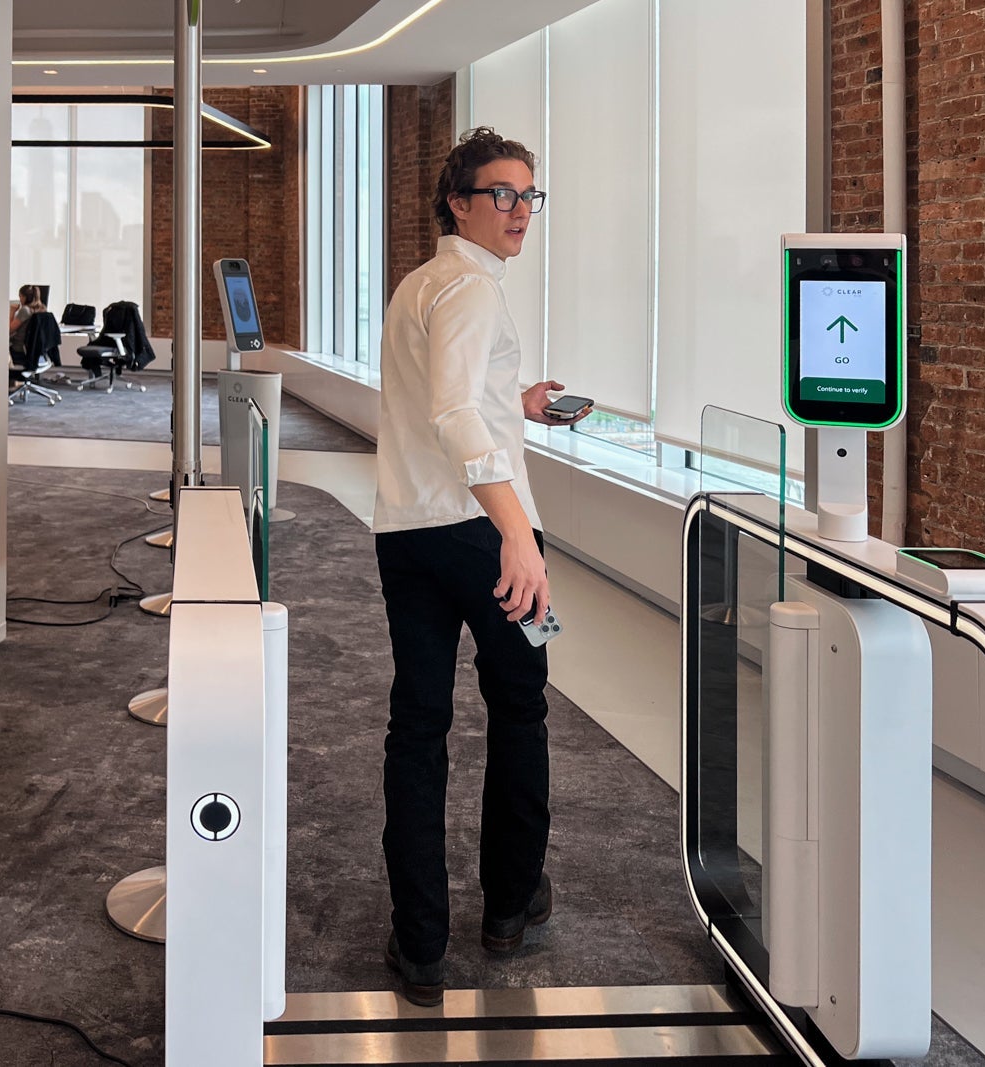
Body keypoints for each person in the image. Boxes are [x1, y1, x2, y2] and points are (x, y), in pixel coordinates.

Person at [372, 127, 589, 1007]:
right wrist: (516, 535)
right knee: (520, 712)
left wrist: (521, 404)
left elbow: (455, 405)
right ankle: (508, 906)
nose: (520, 211)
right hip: (485, 533)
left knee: (418, 728)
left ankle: (421, 943)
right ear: (458, 201)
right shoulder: (471, 288)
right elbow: (458, 413)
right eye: (501, 194)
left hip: (408, 533)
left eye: (530, 196)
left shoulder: (422, 284)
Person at [8, 284, 43, 355]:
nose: (19, 299)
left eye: (20, 296)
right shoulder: (42, 309)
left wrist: (12, 311)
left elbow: (9, 331)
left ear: (25, 297)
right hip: (33, 350)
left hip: (19, 349)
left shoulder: (25, 310)